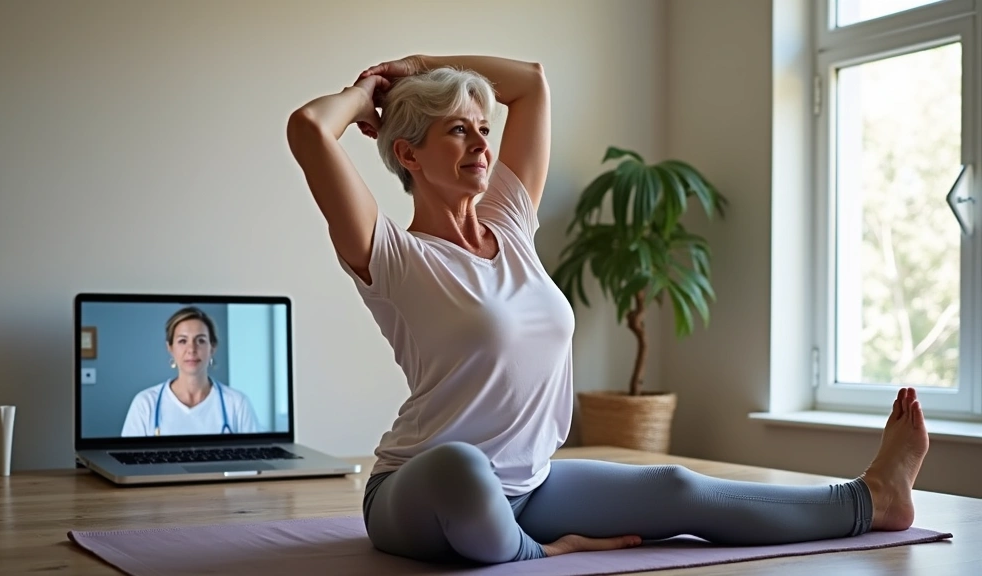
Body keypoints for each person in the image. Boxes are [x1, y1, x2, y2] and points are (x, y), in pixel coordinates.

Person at [285, 54, 931, 564]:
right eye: (458, 130)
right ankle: (540, 554)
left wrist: (420, 65)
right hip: (420, 492)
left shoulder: (509, 221)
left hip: (530, 487)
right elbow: (310, 128)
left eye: (483, 129)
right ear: (407, 154)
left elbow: (531, 84)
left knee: (676, 488)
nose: (482, 143)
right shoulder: (393, 256)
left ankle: (871, 499)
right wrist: (371, 91)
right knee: (464, 468)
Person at [121, 306, 261, 437]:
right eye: (182, 341)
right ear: (170, 348)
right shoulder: (145, 404)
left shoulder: (237, 403)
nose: (191, 349)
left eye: (200, 341)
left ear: (212, 347)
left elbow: (257, 459)